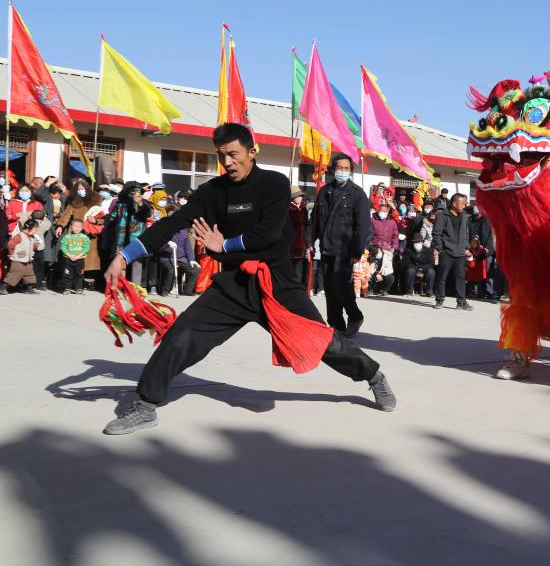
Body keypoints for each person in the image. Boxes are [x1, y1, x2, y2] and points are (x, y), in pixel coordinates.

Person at [101, 124, 395, 435]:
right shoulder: (212, 192)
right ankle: (145, 405)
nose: (227, 162)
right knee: (181, 336)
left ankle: (373, 376)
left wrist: (223, 245)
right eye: (221, 156)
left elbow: (268, 233)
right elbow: (170, 224)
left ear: (251, 152)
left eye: (233, 154)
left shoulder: (274, 183)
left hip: (278, 282)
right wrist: (124, 257)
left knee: (323, 342)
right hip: (234, 285)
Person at [312, 153, 372, 337]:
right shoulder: (324, 192)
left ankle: (355, 316)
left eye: (346, 168)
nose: (343, 171)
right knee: (330, 289)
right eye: (340, 168)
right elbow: (315, 221)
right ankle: (336, 325)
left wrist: (356, 251)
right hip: (326, 247)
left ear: (351, 171)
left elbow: (363, 226)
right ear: (332, 169)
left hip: (345, 250)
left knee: (341, 287)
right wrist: (309, 242)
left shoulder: (357, 194)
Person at [432, 192, 472, 310]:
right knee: (442, 277)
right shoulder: (442, 215)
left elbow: (466, 234)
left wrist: (466, 247)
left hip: (460, 252)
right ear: (454, 203)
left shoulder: (464, 216)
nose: (464, 206)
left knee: (460, 277)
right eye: (462, 203)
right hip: (446, 251)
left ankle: (461, 302)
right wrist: (439, 247)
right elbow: (436, 233)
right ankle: (439, 300)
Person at [2, 218, 42, 294]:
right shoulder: (19, 236)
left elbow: (31, 248)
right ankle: (3, 287)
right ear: (29, 228)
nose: (35, 232)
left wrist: (36, 245)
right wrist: (11, 253)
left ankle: (28, 288)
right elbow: (10, 244)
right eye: (35, 229)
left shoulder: (31, 237)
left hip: (27, 260)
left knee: (30, 275)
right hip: (18, 260)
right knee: (14, 274)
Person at [59, 218, 91, 294]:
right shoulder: (67, 237)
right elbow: (63, 246)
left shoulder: (84, 237)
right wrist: (69, 255)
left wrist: (78, 256)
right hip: (68, 259)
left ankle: (78, 288)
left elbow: (86, 247)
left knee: (79, 274)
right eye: (75, 226)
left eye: (79, 227)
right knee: (67, 274)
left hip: (80, 259)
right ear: (71, 226)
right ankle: (67, 288)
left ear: (82, 228)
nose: (77, 228)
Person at [288, 186, 311, 287]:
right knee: (290, 266)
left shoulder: (303, 208)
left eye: (301, 196)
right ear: (293, 197)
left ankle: (298, 287)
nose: (301, 198)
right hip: (291, 242)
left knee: (300, 267)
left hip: (302, 242)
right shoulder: (288, 208)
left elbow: (307, 225)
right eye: (299, 196)